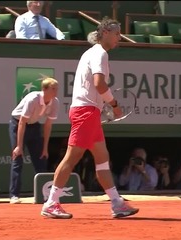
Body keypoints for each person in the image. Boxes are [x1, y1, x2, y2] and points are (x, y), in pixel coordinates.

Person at [40, 17, 139, 219]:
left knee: (102, 159)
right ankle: (51, 203)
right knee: (72, 158)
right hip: (85, 112)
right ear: (105, 34)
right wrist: (114, 105)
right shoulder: (100, 53)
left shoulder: (94, 53)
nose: (119, 37)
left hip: (90, 112)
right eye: (116, 33)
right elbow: (99, 84)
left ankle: (117, 203)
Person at [9, 77, 59, 204]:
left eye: (56, 89)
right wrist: (19, 146)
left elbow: (48, 125)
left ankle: (45, 195)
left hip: (35, 126)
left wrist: (45, 147)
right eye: (53, 89)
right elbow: (22, 122)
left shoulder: (55, 102)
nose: (55, 91)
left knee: (41, 158)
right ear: (44, 89)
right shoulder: (33, 99)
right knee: (17, 159)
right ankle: (14, 195)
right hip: (18, 124)